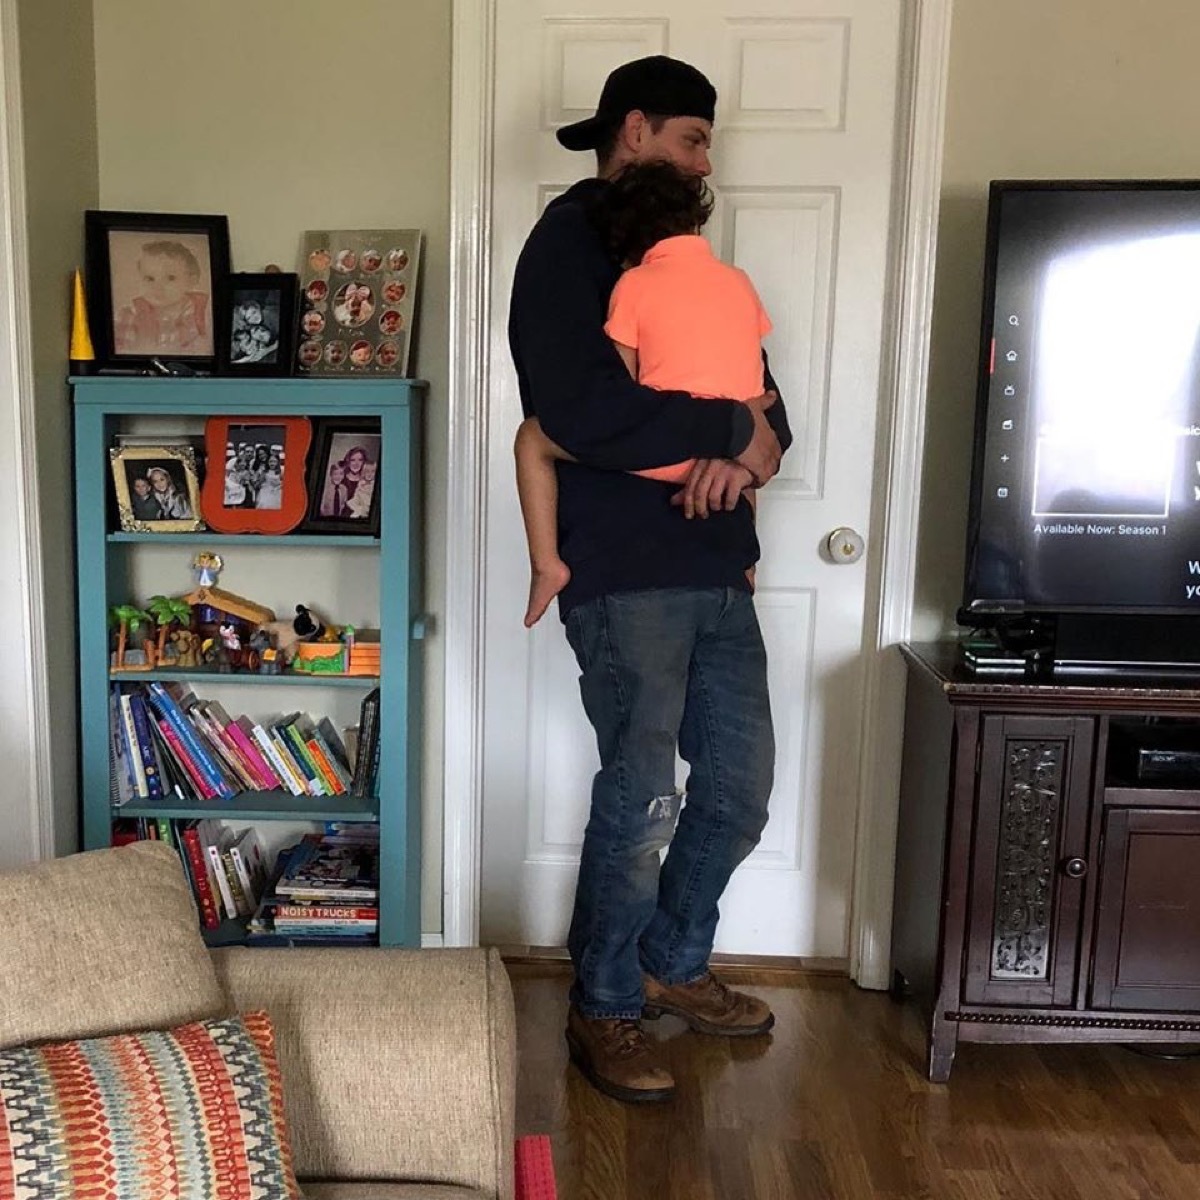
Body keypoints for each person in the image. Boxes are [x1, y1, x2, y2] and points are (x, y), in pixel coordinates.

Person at [507, 54, 791, 1105]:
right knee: (642, 801)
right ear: (636, 129)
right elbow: (574, 413)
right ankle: (608, 1006)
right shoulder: (567, 243)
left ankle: (675, 959)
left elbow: (770, 410)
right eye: (694, 138)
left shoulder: (690, 262)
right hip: (624, 574)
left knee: (738, 791)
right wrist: (726, 430)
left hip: (721, 567)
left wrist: (745, 451)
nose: (706, 160)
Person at [515, 160, 771, 627]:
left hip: (668, 457)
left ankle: (546, 566)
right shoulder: (739, 282)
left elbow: (622, 390)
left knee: (532, 438)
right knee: (747, 462)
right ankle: (748, 559)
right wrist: (735, 437)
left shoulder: (633, 283)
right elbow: (754, 381)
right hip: (734, 464)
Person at [113, 240, 209, 356]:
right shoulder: (130, 314)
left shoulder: (203, 312)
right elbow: (120, 356)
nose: (158, 287)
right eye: (150, 279)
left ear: (191, 281)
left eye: (170, 278)